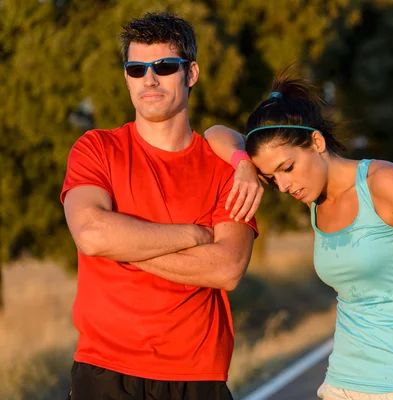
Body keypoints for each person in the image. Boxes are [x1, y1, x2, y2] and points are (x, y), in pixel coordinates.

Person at [204, 71, 393, 399]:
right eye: (271, 178)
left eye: (286, 169)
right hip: (342, 383)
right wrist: (243, 165)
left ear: (317, 142)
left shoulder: (382, 183)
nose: (283, 186)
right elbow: (213, 134)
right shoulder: (315, 197)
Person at [61, 12, 260, 400]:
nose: (149, 79)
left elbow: (227, 267)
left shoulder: (227, 166)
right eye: (136, 69)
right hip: (105, 372)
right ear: (126, 77)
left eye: (165, 66)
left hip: (198, 376)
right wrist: (195, 235)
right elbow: (92, 234)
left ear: (192, 74)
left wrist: (124, 247)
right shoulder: (96, 149)